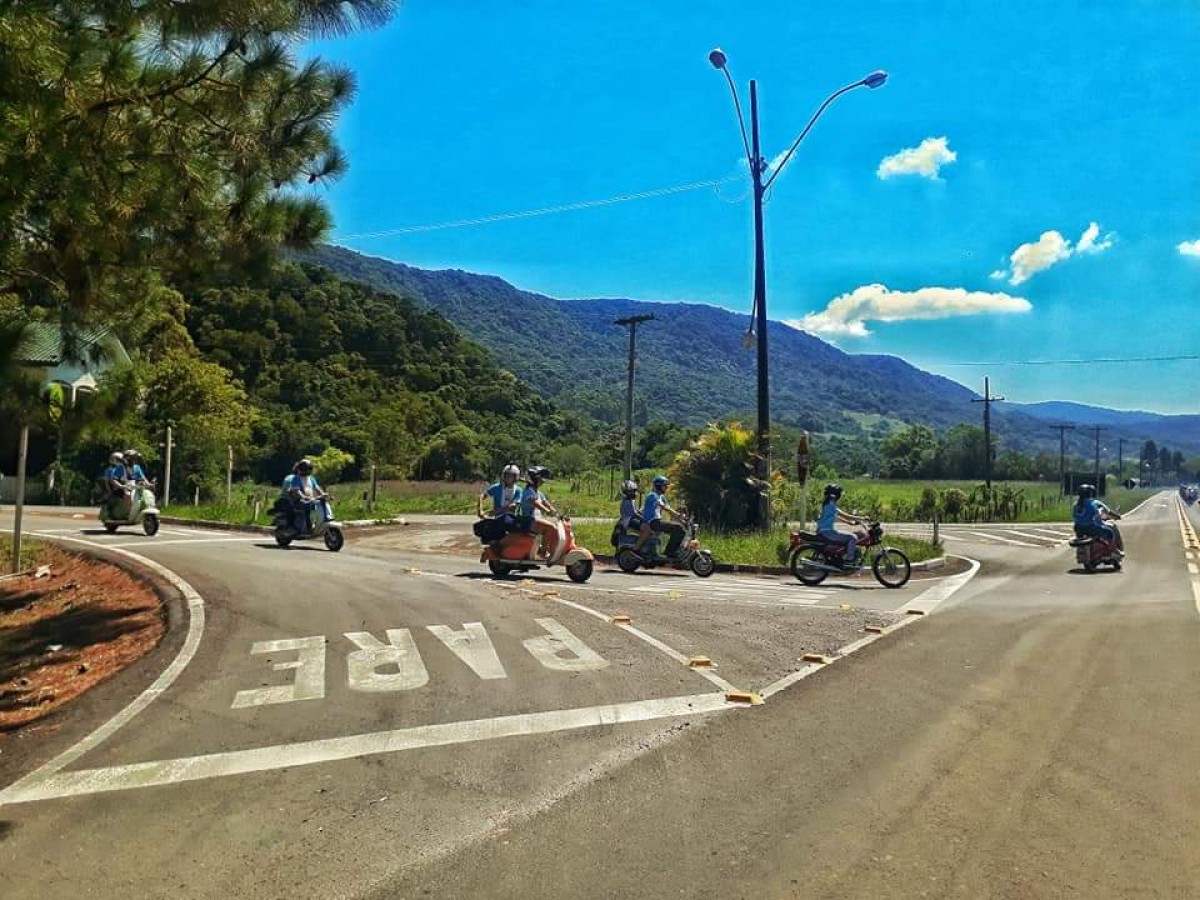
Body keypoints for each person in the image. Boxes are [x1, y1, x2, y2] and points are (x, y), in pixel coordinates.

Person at [633, 474, 686, 559]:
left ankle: (670, 552)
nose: (666, 488)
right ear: (658, 486)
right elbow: (664, 507)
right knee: (678, 529)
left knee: (679, 529)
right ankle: (670, 553)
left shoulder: (661, 496)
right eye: (664, 486)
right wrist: (679, 516)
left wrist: (682, 520)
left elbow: (669, 509)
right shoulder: (652, 496)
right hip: (651, 522)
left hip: (656, 522)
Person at [817, 483, 865, 567]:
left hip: (824, 531)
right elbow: (846, 516)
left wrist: (848, 523)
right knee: (853, 537)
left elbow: (835, 517)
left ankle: (841, 557)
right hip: (828, 532)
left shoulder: (827, 504)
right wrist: (862, 518)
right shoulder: (831, 506)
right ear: (836, 495)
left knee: (847, 536)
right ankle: (849, 560)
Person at [519, 466, 559, 558]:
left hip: (536, 520)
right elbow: (535, 503)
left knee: (556, 527)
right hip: (529, 520)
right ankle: (543, 552)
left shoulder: (538, 492)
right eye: (540, 479)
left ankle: (549, 549)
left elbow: (546, 503)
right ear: (533, 479)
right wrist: (547, 510)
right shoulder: (528, 491)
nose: (542, 481)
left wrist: (554, 510)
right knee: (551, 527)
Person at [1072, 483, 1123, 552]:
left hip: (1078, 529)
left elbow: (1075, 516)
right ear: (1090, 493)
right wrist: (1117, 516)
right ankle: (1114, 550)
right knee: (1110, 532)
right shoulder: (1093, 503)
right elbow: (1099, 514)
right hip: (1091, 528)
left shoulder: (1076, 505)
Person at [282, 459, 323, 533]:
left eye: (310, 468)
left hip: (310, 499)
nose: (309, 470)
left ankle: (318, 524)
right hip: (299, 500)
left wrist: (323, 494)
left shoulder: (311, 478)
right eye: (308, 468)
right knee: (306, 506)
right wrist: (304, 497)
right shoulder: (296, 478)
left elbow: (317, 488)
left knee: (320, 505)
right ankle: (308, 527)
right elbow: (297, 490)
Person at [102, 451, 127, 518]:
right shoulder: (109, 470)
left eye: (120, 460)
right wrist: (109, 491)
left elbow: (125, 478)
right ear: (113, 459)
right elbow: (107, 482)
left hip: (121, 487)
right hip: (113, 489)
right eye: (118, 460)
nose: (120, 461)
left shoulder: (121, 468)